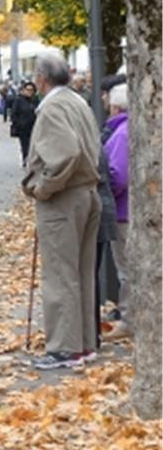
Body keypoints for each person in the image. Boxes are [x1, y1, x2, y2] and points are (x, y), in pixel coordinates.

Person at [21, 50, 101, 370]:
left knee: (60, 274)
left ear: (41, 79)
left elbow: (65, 153)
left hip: (64, 198)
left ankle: (64, 348)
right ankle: (82, 344)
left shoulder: (52, 107)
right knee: (81, 272)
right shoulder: (77, 101)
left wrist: (44, 187)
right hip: (86, 192)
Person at [103, 83, 130, 340]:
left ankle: (128, 319)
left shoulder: (122, 133)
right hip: (130, 208)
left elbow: (118, 176)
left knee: (126, 268)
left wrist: (106, 196)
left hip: (124, 211)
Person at [10, 81, 38, 163]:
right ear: (24, 90)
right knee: (25, 145)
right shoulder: (19, 100)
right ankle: (26, 159)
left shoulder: (36, 100)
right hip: (23, 128)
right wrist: (18, 123)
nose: (29, 92)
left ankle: (33, 160)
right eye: (27, 90)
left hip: (35, 126)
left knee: (34, 145)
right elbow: (14, 113)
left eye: (31, 90)